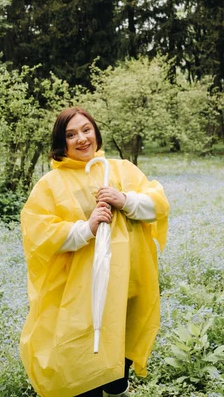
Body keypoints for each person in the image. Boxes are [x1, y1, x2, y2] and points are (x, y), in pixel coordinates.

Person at [20, 107, 170, 397]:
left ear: (96, 131)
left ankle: (117, 385)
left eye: (86, 129)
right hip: (78, 289)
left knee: (120, 343)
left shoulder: (122, 169)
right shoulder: (51, 184)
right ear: (61, 143)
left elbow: (158, 205)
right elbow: (39, 232)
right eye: (71, 134)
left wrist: (124, 199)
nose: (82, 139)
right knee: (80, 357)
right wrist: (85, 228)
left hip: (129, 282)